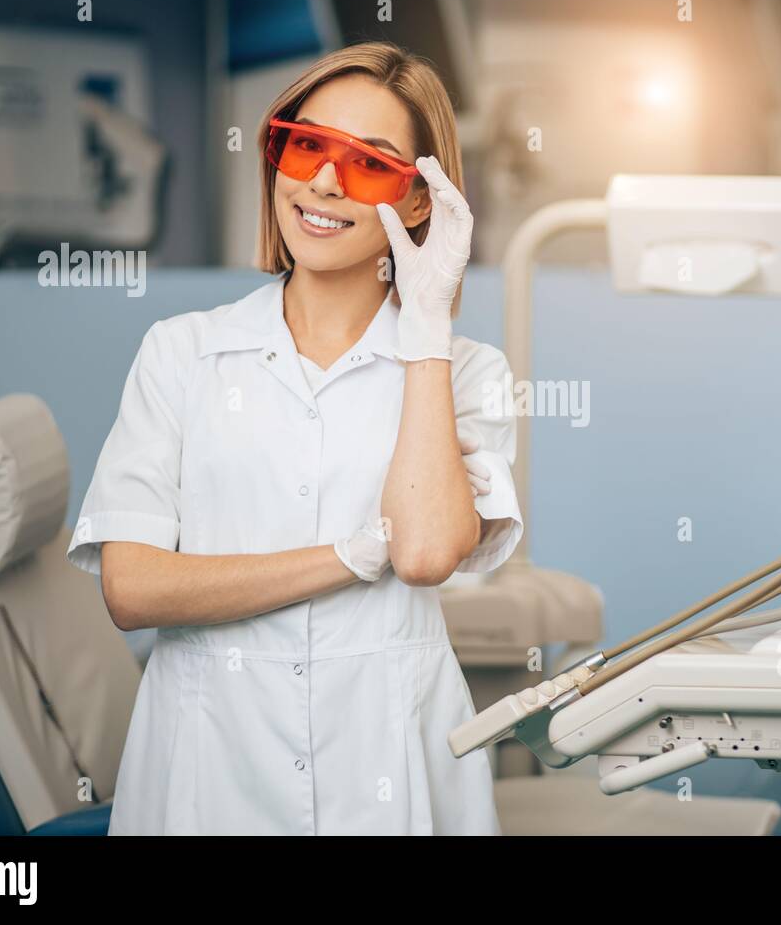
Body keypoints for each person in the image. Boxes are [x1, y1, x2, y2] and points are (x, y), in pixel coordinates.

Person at [66, 42, 522, 835]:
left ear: (420, 203)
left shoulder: (467, 373)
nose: (323, 182)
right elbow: (132, 589)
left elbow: (419, 553)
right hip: (210, 765)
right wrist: (342, 559)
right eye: (307, 145)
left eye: (369, 164)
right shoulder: (183, 354)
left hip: (390, 764)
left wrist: (426, 325)